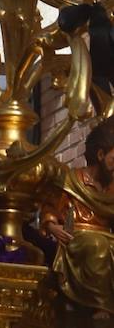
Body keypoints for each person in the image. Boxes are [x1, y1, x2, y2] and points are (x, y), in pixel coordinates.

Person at [40, 118, 114, 316]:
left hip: (106, 237)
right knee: (97, 245)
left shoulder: (112, 188)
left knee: (104, 243)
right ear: (100, 155)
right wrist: (52, 226)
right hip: (77, 236)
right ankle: (100, 307)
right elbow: (50, 206)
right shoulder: (72, 180)